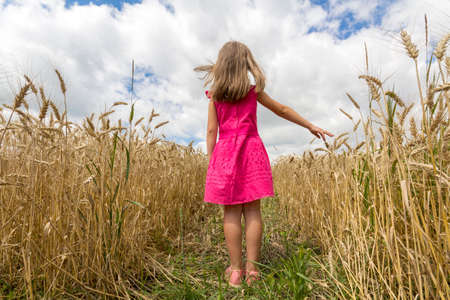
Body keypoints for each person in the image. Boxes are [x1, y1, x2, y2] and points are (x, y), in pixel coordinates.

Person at [194, 41, 333, 288]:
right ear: (246, 64)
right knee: (254, 211)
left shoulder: (214, 96)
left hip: (225, 154)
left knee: (231, 213)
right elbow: (281, 109)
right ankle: (253, 271)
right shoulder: (253, 92)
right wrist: (309, 124)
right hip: (251, 151)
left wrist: (212, 161)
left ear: (221, 66)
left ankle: (236, 271)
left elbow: (211, 131)